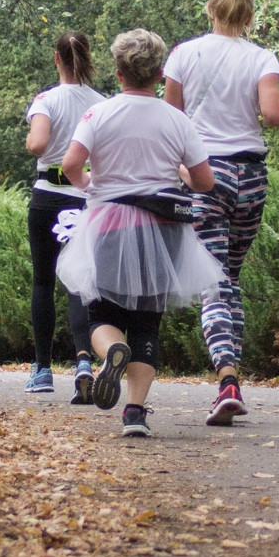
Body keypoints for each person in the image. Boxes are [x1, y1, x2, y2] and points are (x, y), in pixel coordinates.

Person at [55, 29, 223, 437]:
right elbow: (205, 182)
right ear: (160, 73)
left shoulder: (99, 114)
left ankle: (113, 350)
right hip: (163, 230)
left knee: (100, 314)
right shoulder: (177, 119)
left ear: (118, 73)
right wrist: (178, 171)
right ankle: (134, 414)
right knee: (148, 322)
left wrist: (90, 185)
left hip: (109, 224)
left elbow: (70, 165)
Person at [164, 0, 279, 427]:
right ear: (249, 15)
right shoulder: (261, 58)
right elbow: (273, 115)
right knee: (230, 276)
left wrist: (180, 168)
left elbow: (171, 121)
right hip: (250, 176)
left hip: (203, 175)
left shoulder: (183, 54)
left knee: (214, 280)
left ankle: (227, 379)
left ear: (210, 9)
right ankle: (232, 374)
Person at [23, 31, 107, 399]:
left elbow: (38, 143)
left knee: (43, 281)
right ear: (87, 58)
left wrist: (33, 140)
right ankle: (83, 362)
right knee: (79, 281)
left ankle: (42, 370)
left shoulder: (46, 100)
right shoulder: (101, 103)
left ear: (56, 58)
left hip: (47, 197)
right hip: (84, 198)